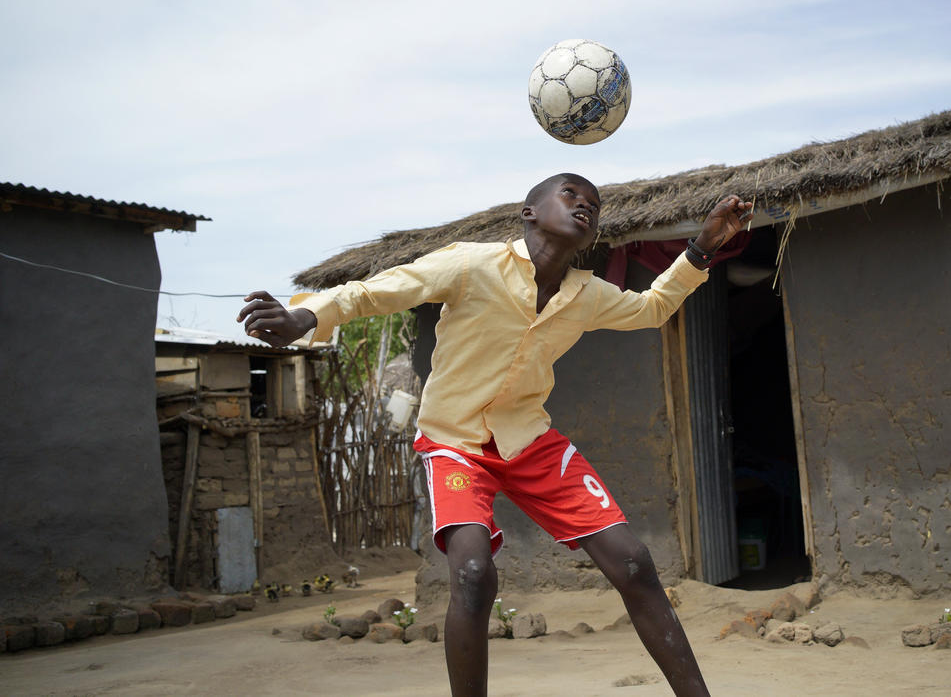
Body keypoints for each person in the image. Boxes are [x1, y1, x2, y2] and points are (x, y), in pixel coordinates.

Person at [238, 173, 751, 696]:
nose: (585, 207)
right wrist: (306, 315)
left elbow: (652, 309)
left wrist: (701, 250)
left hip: (530, 441)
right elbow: (377, 291)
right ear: (529, 212)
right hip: (455, 443)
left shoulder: (586, 294)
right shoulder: (470, 264)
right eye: (570, 195)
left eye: (593, 206)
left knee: (635, 562)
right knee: (473, 574)